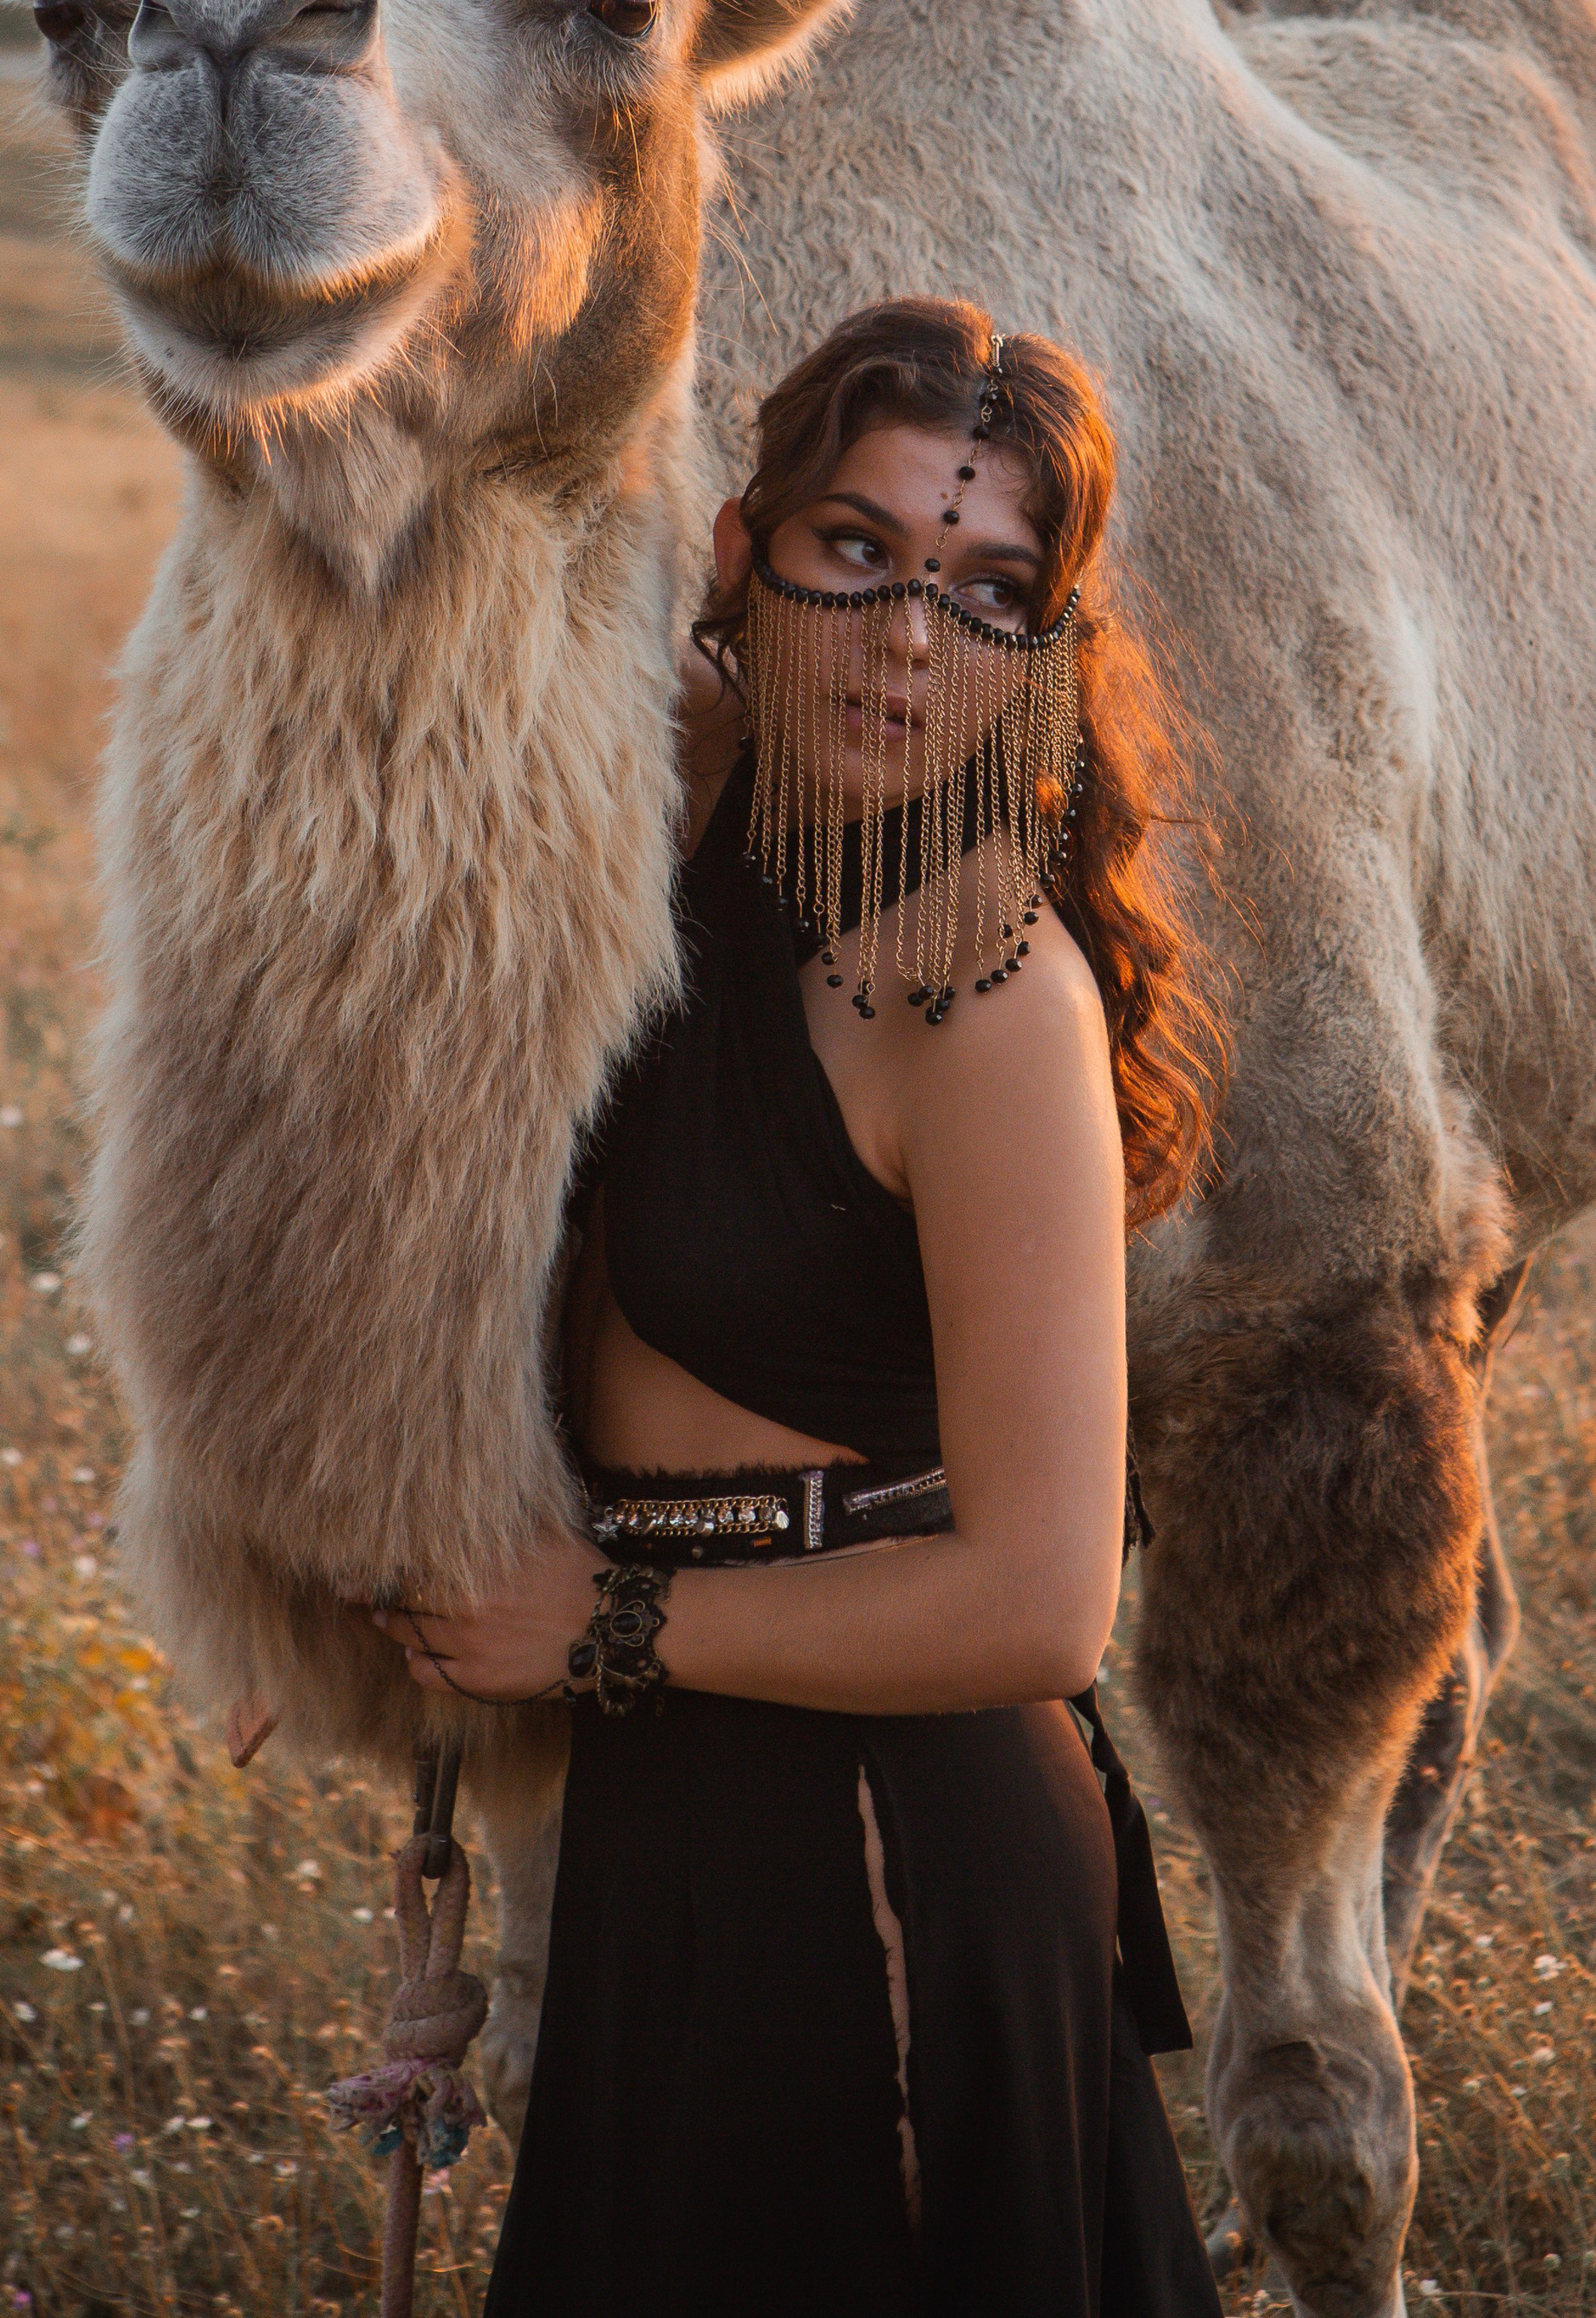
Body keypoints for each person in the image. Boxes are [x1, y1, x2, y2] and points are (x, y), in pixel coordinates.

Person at [366, 298, 1226, 2315]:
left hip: (883, 1837)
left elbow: (1040, 1603)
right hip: (679, 1799)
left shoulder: (982, 997)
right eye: (859, 556)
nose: (914, 641)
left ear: (1043, 649)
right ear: (741, 550)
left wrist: (606, 1623)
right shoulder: (666, 868)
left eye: (988, 589)